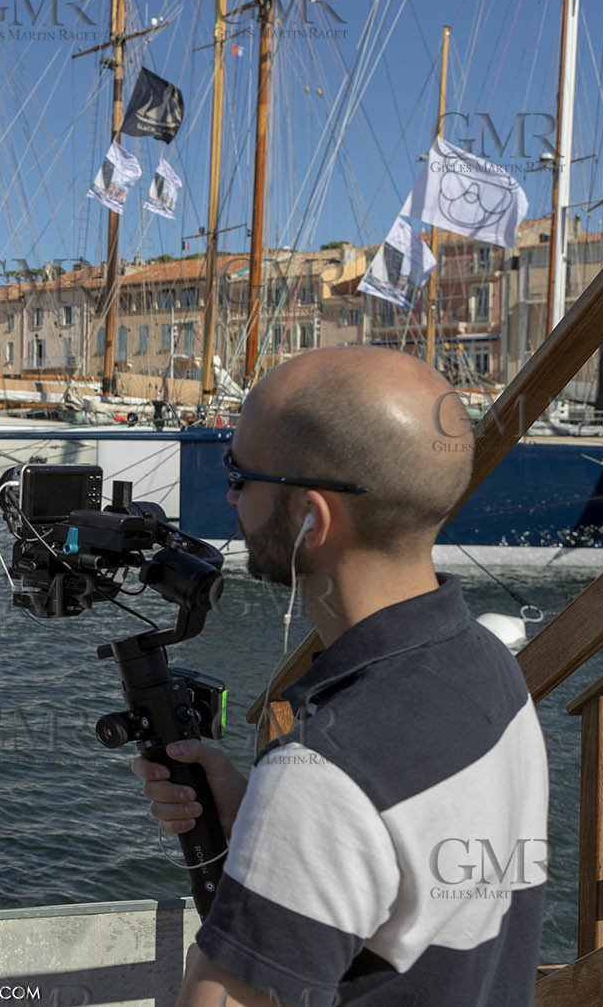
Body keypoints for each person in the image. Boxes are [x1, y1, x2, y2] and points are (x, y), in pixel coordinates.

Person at [134, 348, 548, 1007]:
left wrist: (290, 817)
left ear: (312, 519)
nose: (230, 494)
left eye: (239, 473)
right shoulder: (490, 666)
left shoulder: (324, 770)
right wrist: (261, 825)